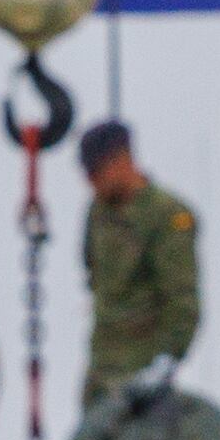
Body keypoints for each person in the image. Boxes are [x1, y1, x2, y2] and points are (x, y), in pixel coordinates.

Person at [78, 124, 198, 399]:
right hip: (101, 369)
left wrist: (165, 361)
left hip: (144, 373)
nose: (91, 182)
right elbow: (92, 273)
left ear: (122, 161)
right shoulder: (98, 213)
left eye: (97, 172)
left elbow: (182, 301)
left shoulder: (168, 215)